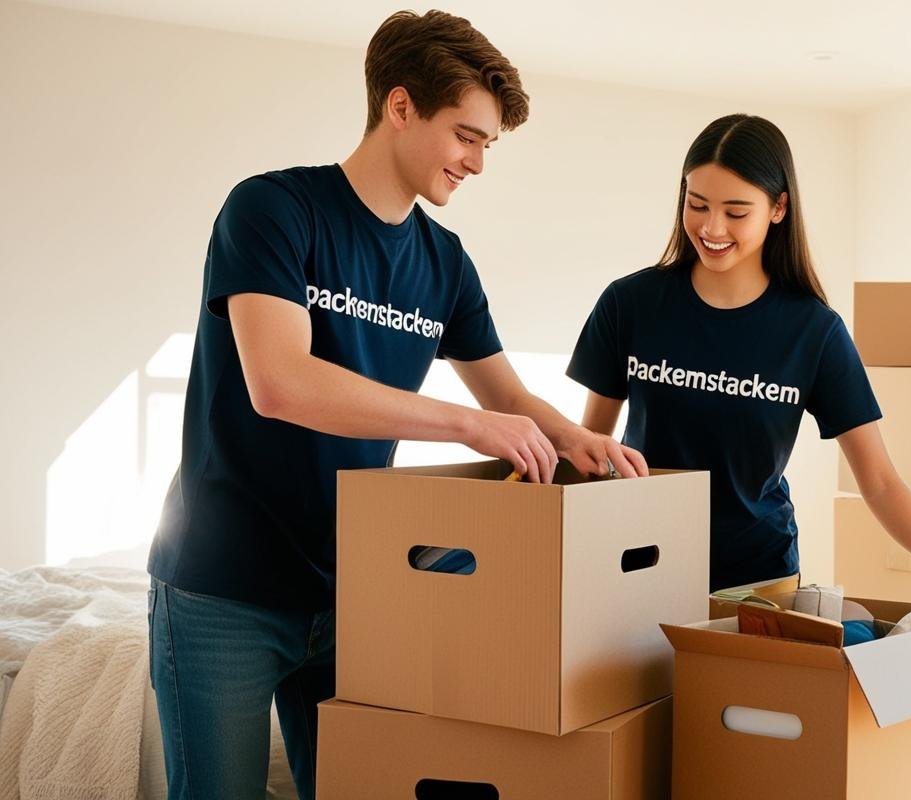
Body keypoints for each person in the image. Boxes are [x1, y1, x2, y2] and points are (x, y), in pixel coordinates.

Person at [145, 11, 645, 798]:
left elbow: (506, 393)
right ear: (401, 106)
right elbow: (280, 381)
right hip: (224, 590)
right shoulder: (273, 211)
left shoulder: (444, 263)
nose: (478, 163)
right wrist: (469, 424)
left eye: (488, 145)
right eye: (466, 136)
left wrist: (582, 442)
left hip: (360, 589)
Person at [566, 114, 911, 639]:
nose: (711, 228)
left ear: (779, 208)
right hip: (640, 565)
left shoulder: (814, 331)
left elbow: (877, 478)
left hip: (759, 581)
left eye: (735, 212)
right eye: (697, 205)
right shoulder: (629, 305)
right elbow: (591, 449)